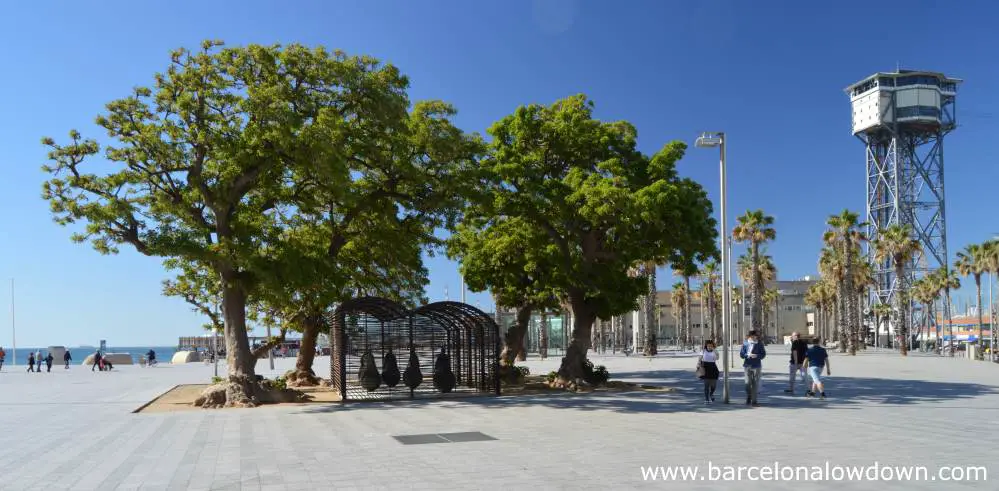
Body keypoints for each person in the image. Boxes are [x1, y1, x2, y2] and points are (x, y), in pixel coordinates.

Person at [739, 330, 766, 407]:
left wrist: (756, 356)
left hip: (757, 365)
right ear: (750, 336)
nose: (754, 337)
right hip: (747, 365)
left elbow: (763, 354)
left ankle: (754, 401)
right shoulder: (745, 343)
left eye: (755, 336)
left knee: (755, 384)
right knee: (747, 383)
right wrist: (747, 355)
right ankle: (749, 395)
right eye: (753, 336)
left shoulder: (759, 344)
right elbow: (741, 354)